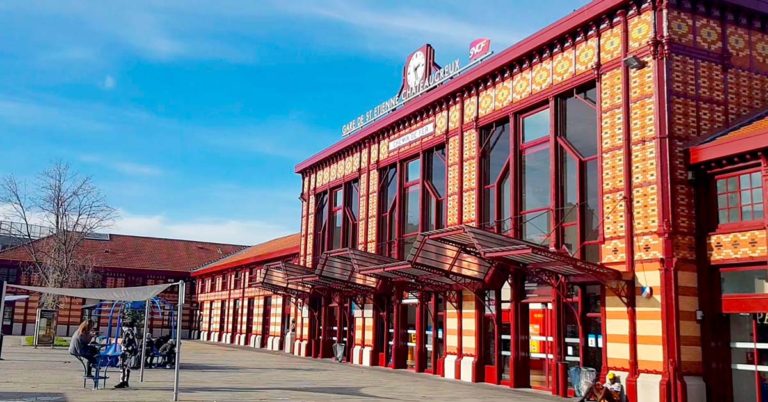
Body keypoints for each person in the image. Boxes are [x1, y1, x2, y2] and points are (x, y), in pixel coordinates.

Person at [114, 318, 139, 389]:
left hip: (126, 351)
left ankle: (122, 382)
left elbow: (126, 342)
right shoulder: (133, 331)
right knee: (128, 366)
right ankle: (126, 381)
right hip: (131, 351)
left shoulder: (127, 332)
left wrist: (122, 344)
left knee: (122, 366)